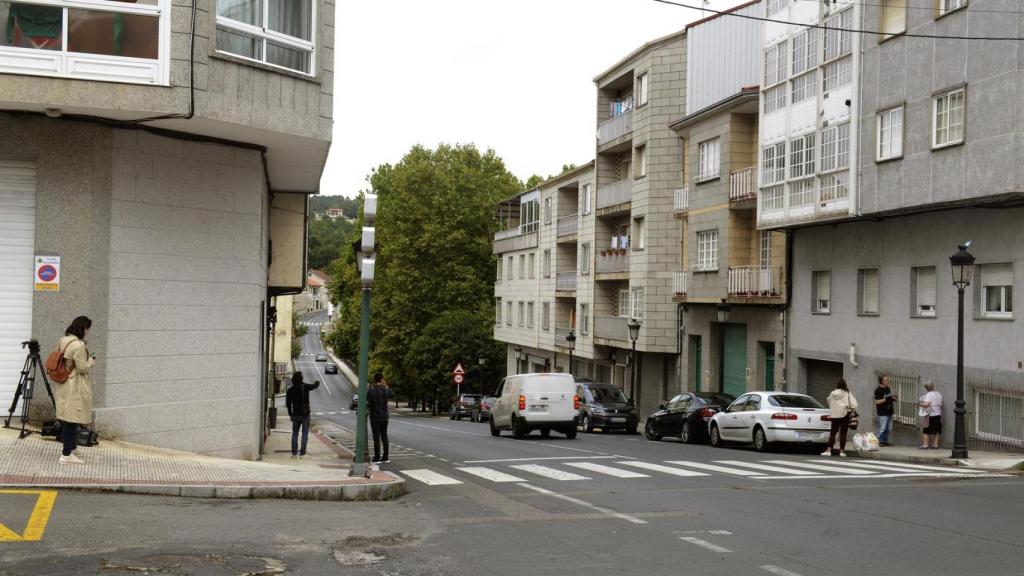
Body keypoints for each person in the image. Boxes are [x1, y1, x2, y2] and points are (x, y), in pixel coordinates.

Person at [55, 316, 94, 464]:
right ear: (83, 328)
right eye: (88, 329)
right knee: (72, 420)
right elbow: (82, 368)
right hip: (73, 385)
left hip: (62, 382)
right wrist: (91, 360)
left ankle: (71, 448)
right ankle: (66, 455)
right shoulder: (78, 345)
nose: (88, 331)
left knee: (66, 417)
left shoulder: (63, 340)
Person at [285, 372, 320, 458]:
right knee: (305, 433)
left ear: (293, 380)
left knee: (295, 433)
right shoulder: (305, 387)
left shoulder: (290, 390)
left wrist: (290, 414)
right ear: (301, 379)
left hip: (295, 415)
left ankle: (294, 453)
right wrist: (317, 382)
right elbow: (314, 386)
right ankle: (302, 453)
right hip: (305, 415)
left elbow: (288, 404)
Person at [823, 378, 858, 457]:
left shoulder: (832, 393)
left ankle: (828, 450)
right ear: (845, 385)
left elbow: (828, 401)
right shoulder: (847, 393)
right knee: (843, 433)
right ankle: (842, 451)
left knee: (833, 433)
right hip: (845, 414)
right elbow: (854, 403)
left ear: (837, 385)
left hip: (834, 415)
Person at [367, 372, 392, 463]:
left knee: (376, 437)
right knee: (384, 436)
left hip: (374, 417)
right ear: (381, 380)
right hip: (384, 416)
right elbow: (392, 394)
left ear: (374, 380)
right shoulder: (385, 390)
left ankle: (377, 457)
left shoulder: (371, 391)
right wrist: (386, 386)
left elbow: (368, 403)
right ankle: (385, 456)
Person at [873, 374, 897, 446]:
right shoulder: (878, 390)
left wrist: (893, 398)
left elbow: (889, 398)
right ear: (882, 381)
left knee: (889, 428)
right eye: (886, 380)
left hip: (889, 411)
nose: (888, 381)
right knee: (882, 428)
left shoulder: (888, 388)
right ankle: (879, 441)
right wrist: (886, 399)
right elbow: (877, 402)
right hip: (882, 412)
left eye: (887, 380)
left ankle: (885, 440)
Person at [919, 382, 943, 449]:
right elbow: (941, 404)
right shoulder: (939, 394)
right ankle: (935, 445)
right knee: (936, 430)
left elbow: (927, 404)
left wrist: (920, 404)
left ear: (926, 388)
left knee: (926, 430)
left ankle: (925, 445)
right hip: (938, 414)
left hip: (931, 415)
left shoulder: (929, 394)